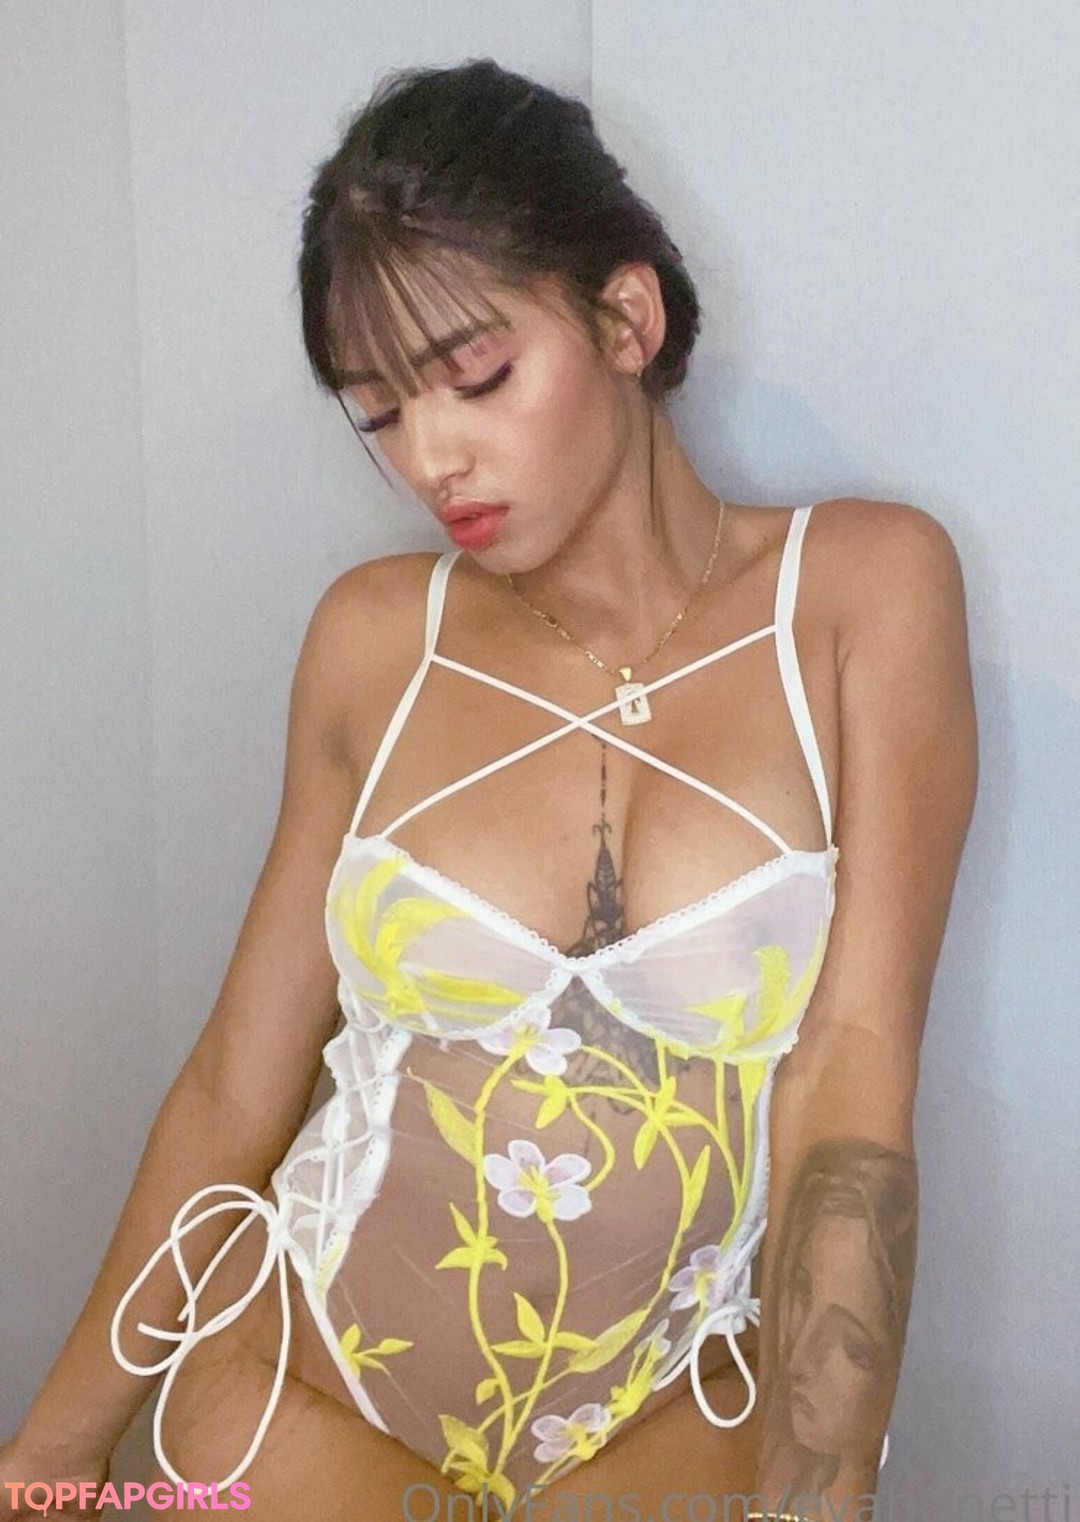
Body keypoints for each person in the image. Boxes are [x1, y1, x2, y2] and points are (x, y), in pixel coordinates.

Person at [1, 58, 977, 1522]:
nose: (432, 457)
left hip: (680, 1412)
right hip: (296, 1393)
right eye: (379, 411)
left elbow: (854, 1073)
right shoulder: (373, 642)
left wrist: (820, 1493)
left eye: (477, 376)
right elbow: (236, 1084)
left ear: (626, 319)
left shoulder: (860, 596)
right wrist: (49, 1454)